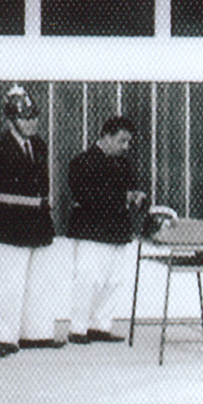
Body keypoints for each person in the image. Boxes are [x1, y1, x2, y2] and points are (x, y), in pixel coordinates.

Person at [0, 85, 63, 351]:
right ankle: (1, 336)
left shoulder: (39, 146)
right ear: (10, 120)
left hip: (38, 225)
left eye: (34, 116)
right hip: (9, 228)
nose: (31, 122)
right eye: (24, 117)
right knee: (7, 286)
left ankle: (36, 333)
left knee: (40, 284)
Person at [67, 115, 146, 345]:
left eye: (128, 142)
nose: (125, 147)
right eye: (122, 141)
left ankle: (101, 325)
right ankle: (78, 327)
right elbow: (86, 196)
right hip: (91, 231)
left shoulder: (123, 163)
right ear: (106, 136)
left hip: (116, 231)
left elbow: (131, 188)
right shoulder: (82, 162)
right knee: (88, 279)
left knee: (113, 281)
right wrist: (124, 197)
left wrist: (137, 196)